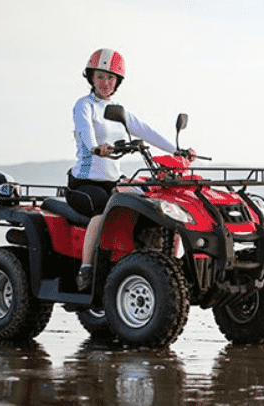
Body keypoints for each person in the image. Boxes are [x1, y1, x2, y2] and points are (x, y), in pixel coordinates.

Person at [67, 48, 183, 291]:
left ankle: (162, 263)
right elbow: (86, 133)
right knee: (102, 209)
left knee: (155, 205)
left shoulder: (118, 110)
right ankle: (86, 269)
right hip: (86, 182)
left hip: (113, 181)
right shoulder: (84, 106)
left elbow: (145, 130)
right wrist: (97, 148)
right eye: (100, 76)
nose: (105, 82)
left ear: (117, 81)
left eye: (110, 78)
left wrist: (176, 151)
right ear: (91, 78)